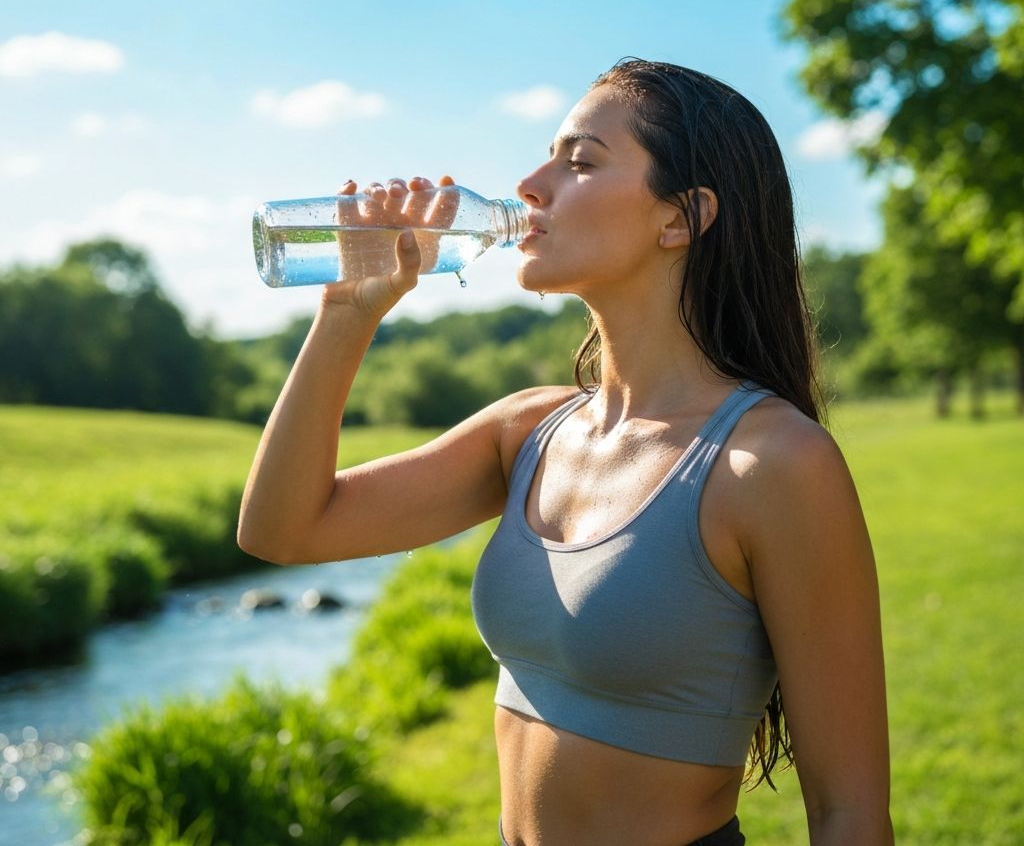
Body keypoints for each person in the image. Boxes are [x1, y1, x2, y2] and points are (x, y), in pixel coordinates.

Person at [238, 58, 893, 846]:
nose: (530, 186)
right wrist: (346, 314)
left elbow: (849, 812)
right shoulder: (529, 430)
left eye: (579, 162)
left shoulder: (772, 465)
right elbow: (281, 530)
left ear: (681, 219)